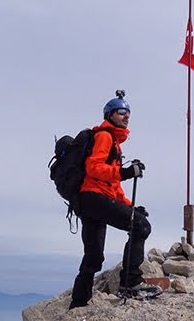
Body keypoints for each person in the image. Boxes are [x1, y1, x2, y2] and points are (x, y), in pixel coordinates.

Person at [69, 92, 162, 308]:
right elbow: (94, 168)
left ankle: (78, 303)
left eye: (128, 113)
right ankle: (131, 282)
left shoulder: (113, 141)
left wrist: (130, 206)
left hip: (88, 201)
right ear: (110, 115)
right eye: (121, 112)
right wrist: (126, 172)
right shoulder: (105, 136)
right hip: (94, 196)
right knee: (141, 226)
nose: (126, 116)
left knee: (94, 256)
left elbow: (112, 185)